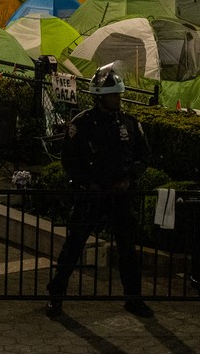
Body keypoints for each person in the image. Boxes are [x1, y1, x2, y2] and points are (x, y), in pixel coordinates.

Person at [48, 65, 152, 318]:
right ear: (100, 97)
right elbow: (69, 161)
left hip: (119, 197)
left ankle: (133, 298)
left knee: (128, 250)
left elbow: (143, 156)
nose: (118, 99)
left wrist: (129, 178)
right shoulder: (82, 124)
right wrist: (88, 183)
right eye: (113, 95)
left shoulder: (130, 124)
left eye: (119, 94)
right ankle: (56, 297)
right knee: (73, 247)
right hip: (91, 196)